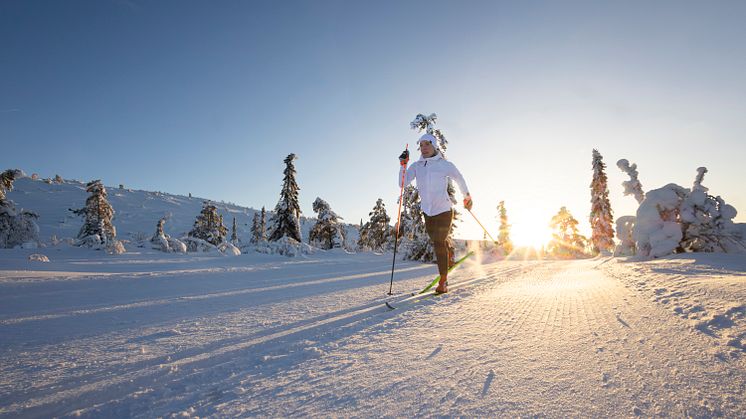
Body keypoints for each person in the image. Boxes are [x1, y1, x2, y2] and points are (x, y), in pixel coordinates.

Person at [398, 133, 472, 293]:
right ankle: (449, 252)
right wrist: (403, 165)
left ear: (434, 146)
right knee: (437, 241)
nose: (424, 148)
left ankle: (443, 281)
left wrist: (467, 196)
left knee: (438, 242)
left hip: (444, 209)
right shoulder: (416, 166)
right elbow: (402, 183)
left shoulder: (444, 164)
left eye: (427, 144)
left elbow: (459, 178)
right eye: (422, 145)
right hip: (428, 211)